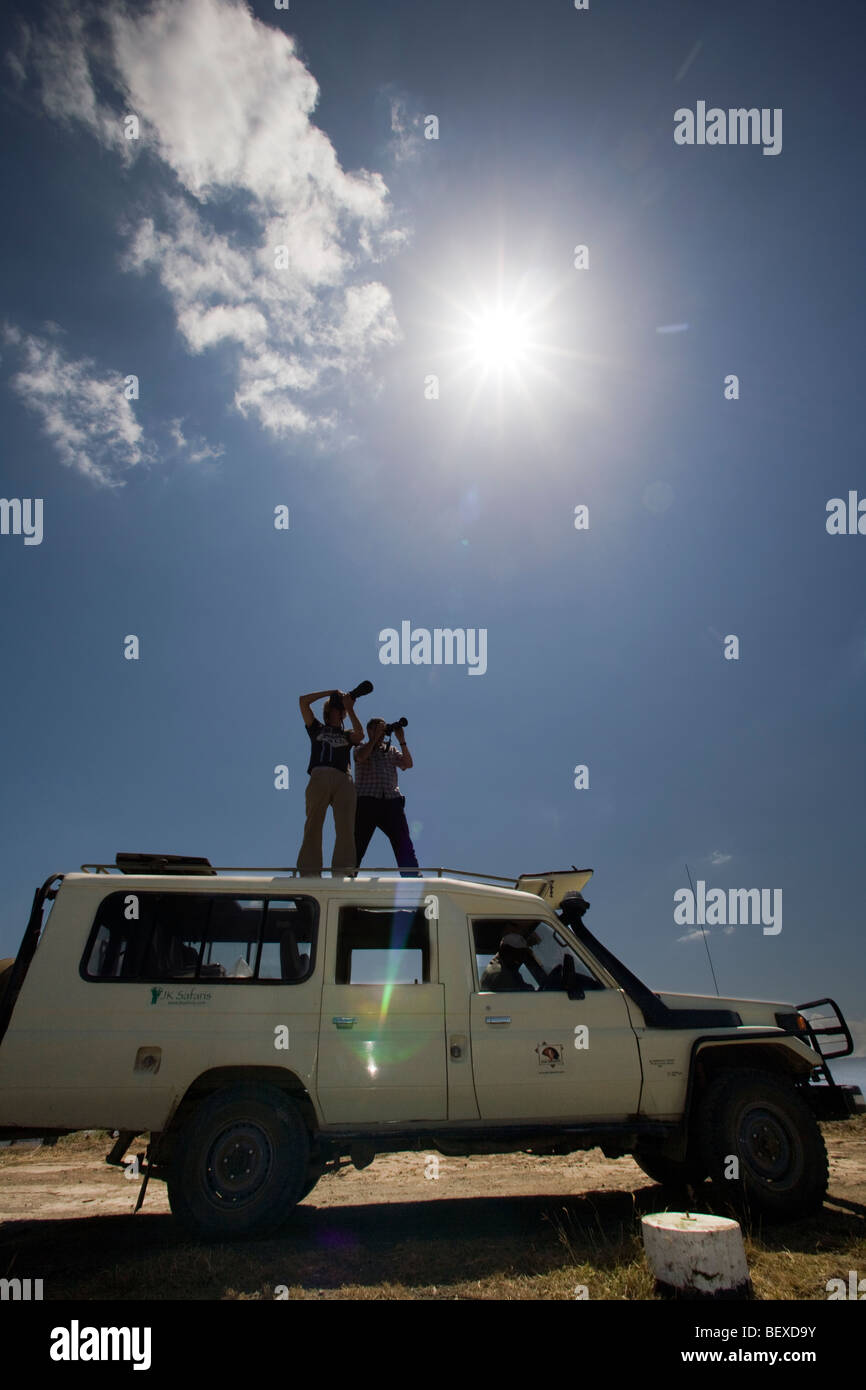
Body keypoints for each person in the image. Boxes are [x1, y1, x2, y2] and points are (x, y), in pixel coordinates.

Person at [297, 689, 364, 876]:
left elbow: (360, 735)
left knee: (346, 827)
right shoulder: (316, 727)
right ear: (328, 710)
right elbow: (303, 701)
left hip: (343, 777)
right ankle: (309, 874)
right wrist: (331, 693)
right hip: (319, 774)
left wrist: (349, 708)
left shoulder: (347, 734)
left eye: (339, 707)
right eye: (336, 706)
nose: (338, 710)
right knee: (314, 824)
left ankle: (343, 873)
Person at [353, 718, 420, 875]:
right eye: (377, 729)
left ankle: (412, 876)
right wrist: (374, 739)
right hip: (367, 800)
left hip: (391, 801)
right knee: (358, 843)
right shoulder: (360, 747)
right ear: (369, 730)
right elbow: (361, 757)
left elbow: (408, 764)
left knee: (403, 842)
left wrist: (402, 740)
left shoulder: (390, 750)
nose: (382, 734)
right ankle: (348, 875)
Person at [480, 928, 546, 992]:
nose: (521, 960)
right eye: (519, 954)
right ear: (507, 951)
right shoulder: (501, 973)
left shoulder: (505, 967)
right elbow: (521, 993)